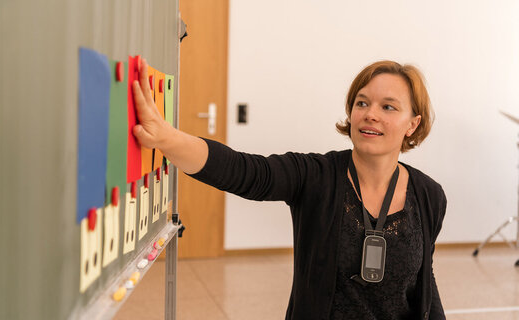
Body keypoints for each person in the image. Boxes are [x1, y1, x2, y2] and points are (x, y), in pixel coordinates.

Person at [132, 59, 447, 320]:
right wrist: (166, 139)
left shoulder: (429, 195)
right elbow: (246, 171)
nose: (370, 113)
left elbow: (425, 284)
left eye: (388, 107)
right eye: (361, 102)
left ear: (412, 124)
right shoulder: (316, 176)